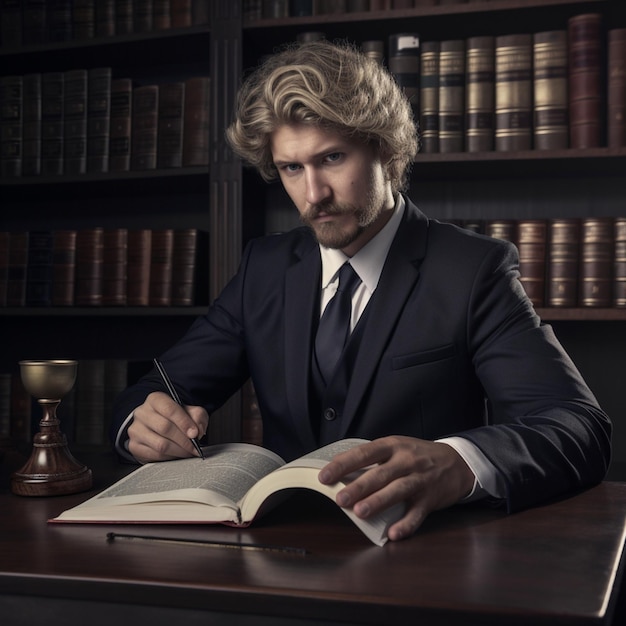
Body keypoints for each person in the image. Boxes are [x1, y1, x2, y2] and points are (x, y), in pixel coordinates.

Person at [112, 40, 611, 541]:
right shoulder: (263, 268)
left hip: (421, 561)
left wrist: (459, 463)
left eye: (331, 158)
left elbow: (578, 427)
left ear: (386, 149)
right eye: (291, 168)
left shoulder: (473, 269)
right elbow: (153, 390)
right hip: (279, 557)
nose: (314, 195)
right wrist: (143, 422)